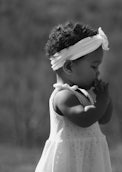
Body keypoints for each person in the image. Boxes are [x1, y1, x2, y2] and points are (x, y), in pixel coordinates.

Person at [35, 21, 113, 172]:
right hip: (68, 164)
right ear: (69, 67)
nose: (98, 72)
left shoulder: (84, 94)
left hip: (87, 163)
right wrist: (102, 101)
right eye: (94, 66)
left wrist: (106, 99)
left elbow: (103, 118)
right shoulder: (63, 96)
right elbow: (85, 119)